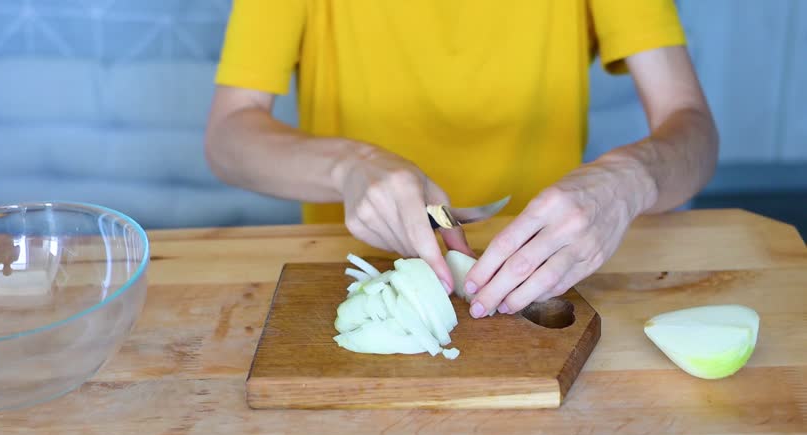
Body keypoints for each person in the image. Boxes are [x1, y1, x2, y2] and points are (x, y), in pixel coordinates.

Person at [204, 1, 718, 319]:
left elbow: (692, 125)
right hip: (348, 273)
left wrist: (627, 182)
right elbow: (228, 137)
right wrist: (348, 165)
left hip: (552, 274)